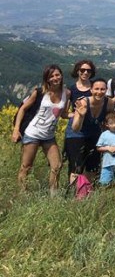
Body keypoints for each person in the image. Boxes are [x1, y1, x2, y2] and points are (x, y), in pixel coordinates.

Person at [14, 65, 70, 194]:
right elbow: (23, 108)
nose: (55, 78)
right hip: (32, 133)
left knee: (57, 166)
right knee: (26, 167)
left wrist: (77, 113)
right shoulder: (39, 92)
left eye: (57, 75)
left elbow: (63, 114)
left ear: (61, 75)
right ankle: (23, 195)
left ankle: (53, 196)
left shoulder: (66, 93)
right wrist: (16, 129)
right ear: (47, 79)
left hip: (49, 136)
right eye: (52, 76)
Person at [66, 78, 112, 182]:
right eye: (96, 89)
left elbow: (108, 121)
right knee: (77, 167)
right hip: (76, 134)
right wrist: (81, 116)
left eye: (102, 89)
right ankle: (75, 193)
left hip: (94, 134)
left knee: (92, 167)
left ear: (106, 90)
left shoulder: (109, 103)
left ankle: (86, 192)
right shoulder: (83, 103)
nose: (99, 92)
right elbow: (75, 128)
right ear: (91, 90)